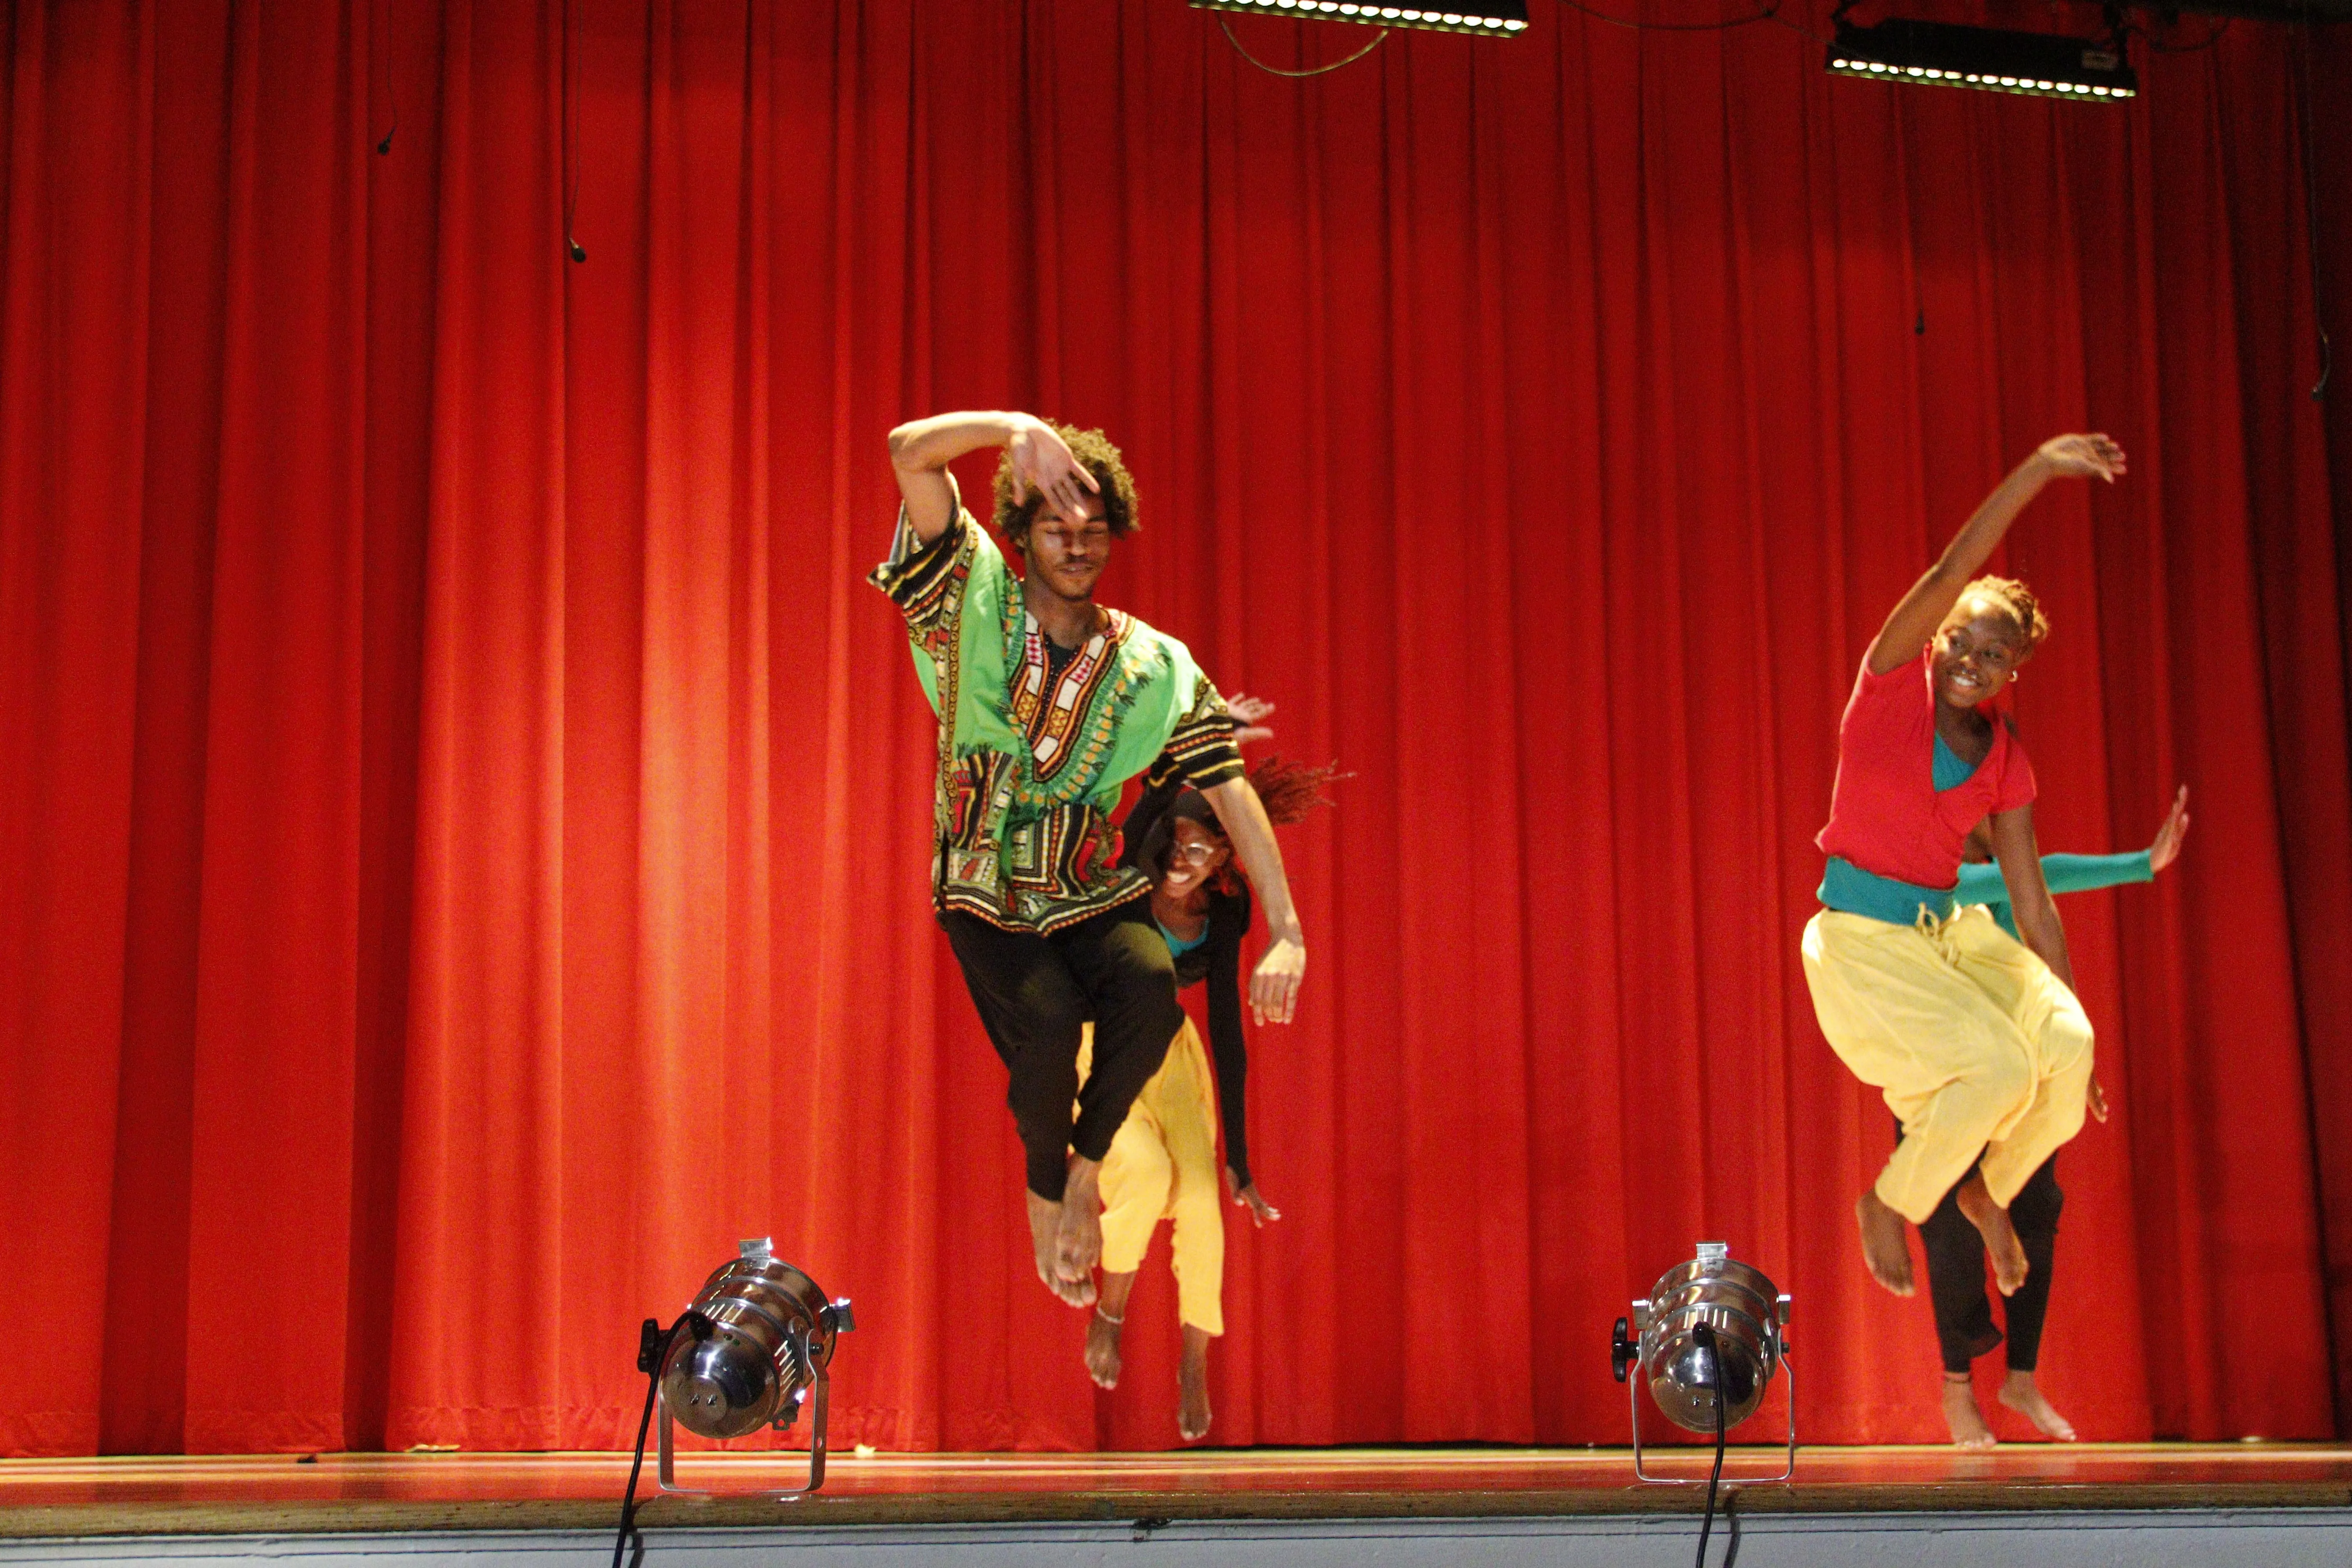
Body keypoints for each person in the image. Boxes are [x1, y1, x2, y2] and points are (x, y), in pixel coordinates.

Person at [871, 411, 1307, 1307]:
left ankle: (1084, 1171)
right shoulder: (968, 594)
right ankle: (1047, 1189)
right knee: (1051, 1022)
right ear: (1020, 531)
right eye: (1055, 527)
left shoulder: (1153, 663)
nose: (1075, 545)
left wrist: (1288, 926)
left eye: (1092, 530)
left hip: (1085, 885)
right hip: (982, 885)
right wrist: (1012, 427)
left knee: (1150, 983)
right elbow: (907, 452)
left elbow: (1230, 790)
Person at [1801, 432, 2127, 1303]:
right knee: (1997, 1069)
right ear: (1937, 637)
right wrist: (2039, 470)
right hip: (1865, 943)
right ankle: (1888, 1199)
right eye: (1963, 644)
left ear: (2012, 670)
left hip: (1952, 935)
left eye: (1994, 658)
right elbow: (1952, 567)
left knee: (2064, 1052)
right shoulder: (1888, 692)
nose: (1971, 665)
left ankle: (1987, 1191)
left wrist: (2078, 1039)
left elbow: (2035, 905)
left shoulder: (2005, 758)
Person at [1080, 717, 1338, 1440]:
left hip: (1172, 1053)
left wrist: (1242, 1163)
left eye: (1201, 848)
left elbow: (1226, 1026)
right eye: (1177, 840)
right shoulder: (1135, 871)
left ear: (1226, 853)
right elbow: (1146, 803)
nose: (1181, 857)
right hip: (1099, 1048)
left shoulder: (1226, 908)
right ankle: (1113, 1310)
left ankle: (1194, 1362)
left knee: (1199, 1202)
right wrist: (1201, 737)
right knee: (1147, 1172)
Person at [1919, 786, 2190, 1448]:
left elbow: (2052, 970)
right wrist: (2141, 864)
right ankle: (1959, 1391)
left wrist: (2080, 1070)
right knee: (1950, 1227)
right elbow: (2049, 873)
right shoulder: (1937, 873)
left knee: (2037, 1214)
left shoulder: (2018, 891)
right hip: (1945, 1076)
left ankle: (2020, 1378)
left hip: (2023, 1072)